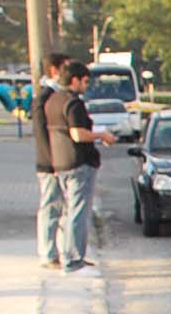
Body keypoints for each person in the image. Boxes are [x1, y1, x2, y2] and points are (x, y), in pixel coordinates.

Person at [47, 59, 114, 275]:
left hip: (60, 161)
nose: (86, 86)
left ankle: (69, 254)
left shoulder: (53, 100)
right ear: (74, 80)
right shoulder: (73, 103)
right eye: (85, 81)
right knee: (78, 212)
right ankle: (74, 259)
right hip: (78, 162)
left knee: (69, 211)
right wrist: (101, 135)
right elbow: (77, 133)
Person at [31, 50, 71, 269]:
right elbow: (41, 133)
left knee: (63, 208)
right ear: (55, 70)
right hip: (50, 163)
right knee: (51, 206)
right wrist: (52, 161)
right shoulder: (45, 96)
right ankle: (48, 254)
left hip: (62, 161)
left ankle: (64, 252)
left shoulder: (60, 94)